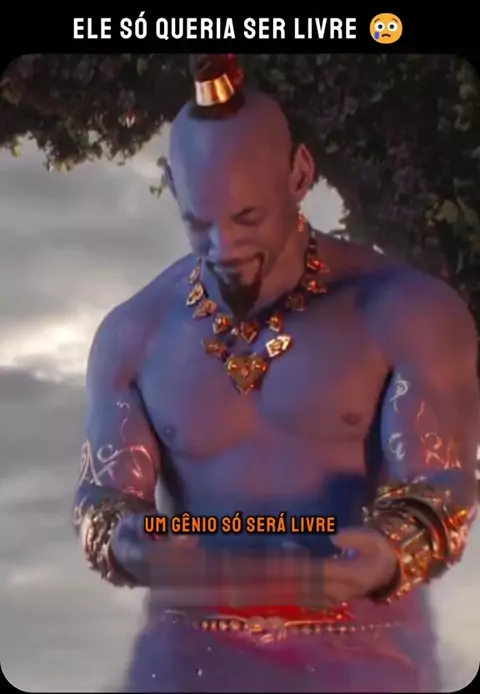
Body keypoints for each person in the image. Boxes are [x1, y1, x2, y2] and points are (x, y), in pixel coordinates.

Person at [74, 54, 479, 693]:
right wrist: (127, 542)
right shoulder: (133, 335)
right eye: (199, 223)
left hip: (364, 661)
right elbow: (103, 499)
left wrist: (389, 553)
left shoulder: (406, 311)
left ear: (300, 174)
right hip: (186, 667)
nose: (223, 248)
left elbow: (442, 486)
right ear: (172, 187)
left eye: (248, 218)